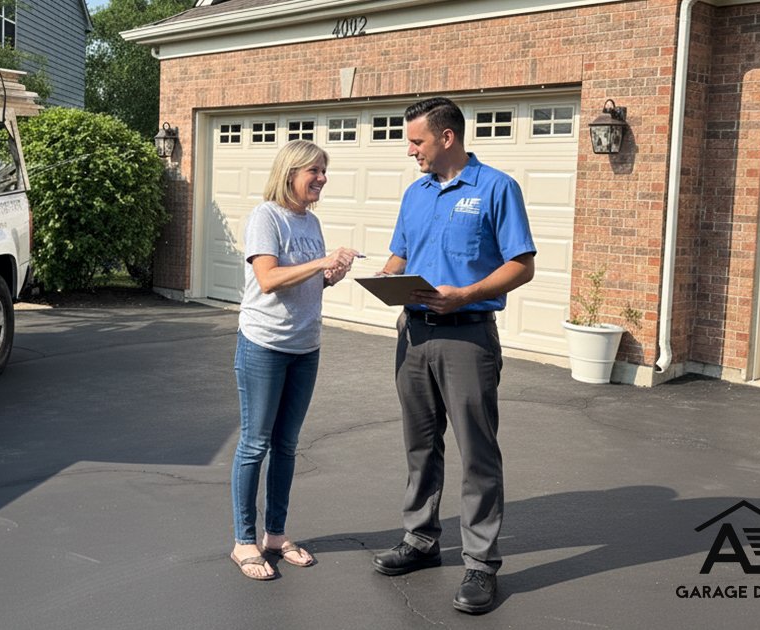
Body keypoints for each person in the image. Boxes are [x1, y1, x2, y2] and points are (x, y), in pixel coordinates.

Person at [371, 97, 536, 613]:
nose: (410, 151)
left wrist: (465, 294)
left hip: (467, 337)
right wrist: (384, 275)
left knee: (477, 452)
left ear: (447, 138)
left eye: (416, 141)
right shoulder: (415, 194)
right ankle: (420, 539)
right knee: (420, 446)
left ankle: (481, 564)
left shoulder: (497, 188)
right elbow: (402, 254)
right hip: (413, 337)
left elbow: (522, 265)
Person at [229, 140, 359, 580]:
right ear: (290, 174)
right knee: (255, 444)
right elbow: (267, 279)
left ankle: (275, 536)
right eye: (314, 171)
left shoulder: (311, 222)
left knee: (286, 445)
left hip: (305, 347)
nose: (322, 178)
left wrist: (330, 277)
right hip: (264, 345)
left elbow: (304, 283)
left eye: (324, 170)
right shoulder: (265, 217)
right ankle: (244, 541)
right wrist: (321, 261)